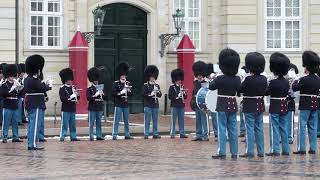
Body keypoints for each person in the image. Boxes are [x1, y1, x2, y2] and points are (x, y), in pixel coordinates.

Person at [210, 48, 241, 160]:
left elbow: (211, 86)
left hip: (222, 105)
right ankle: (234, 152)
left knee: (222, 129)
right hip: (232, 105)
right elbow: (239, 91)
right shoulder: (237, 79)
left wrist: (215, 77)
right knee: (233, 129)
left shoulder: (220, 78)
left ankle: (222, 152)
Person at [239, 52, 267, 158]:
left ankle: (249, 151)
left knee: (249, 129)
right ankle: (260, 151)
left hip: (249, 105)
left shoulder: (248, 79)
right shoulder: (264, 78)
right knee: (259, 128)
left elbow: (241, 89)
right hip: (259, 105)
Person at [292, 51, 320, 155]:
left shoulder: (303, 79)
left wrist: (296, 78)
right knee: (313, 126)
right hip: (315, 103)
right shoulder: (318, 79)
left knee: (302, 126)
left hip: (305, 104)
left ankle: (302, 148)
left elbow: (294, 88)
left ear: (307, 66)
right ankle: (313, 148)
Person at [265, 52, 290, 156]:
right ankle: (285, 149)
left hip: (275, 106)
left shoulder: (273, 82)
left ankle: (275, 150)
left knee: (274, 128)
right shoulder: (286, 81)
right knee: (284, 128)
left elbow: (266, 92)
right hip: (284, 105)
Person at [24, 55, 51, 150]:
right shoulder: (33, 79)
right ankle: (32, 144)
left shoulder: (28, 79)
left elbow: (39, 87)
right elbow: (42, 88)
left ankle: (32, 143)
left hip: (33, 103)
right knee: (35, 125)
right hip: (36, 104)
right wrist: (48, 86)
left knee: (32, 125)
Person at [1, 64, 23, 143]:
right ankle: (4, 137)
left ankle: (15, 137)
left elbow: (20, 95)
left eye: (13, 75)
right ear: (7, 75)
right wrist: (12, 88)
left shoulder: (16, 83)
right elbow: (4, 94)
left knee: (15, 122)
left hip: (15, 104)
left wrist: (19, 88)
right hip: (7, 105)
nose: (12, 77)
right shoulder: (4, 84)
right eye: (11, 75)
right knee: (6, 123)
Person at [112, 62, 134, 140]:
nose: (123, 77)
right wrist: (121, 92)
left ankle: (127, 134)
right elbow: (113, 93)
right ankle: (114, 134)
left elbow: (131, 94)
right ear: (120, 76)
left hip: (126, 104)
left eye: (124, 75)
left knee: (126, 121)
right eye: (122, 75)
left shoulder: (128, 83)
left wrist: (128, 90)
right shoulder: (116, 83)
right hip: (118, 104)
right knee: (116, 120)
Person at [59, 68, 80, 142]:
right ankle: (62, 136)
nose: (70, 81)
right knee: (64, 124)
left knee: (73, 124)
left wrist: (77, 95)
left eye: (71, 79)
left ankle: (73, 136)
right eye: (69, 80)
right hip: (65, 109)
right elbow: (62, 98)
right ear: (65, 80)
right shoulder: (62, 88)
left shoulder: (73, 87)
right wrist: (71, 96)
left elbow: (78, 98)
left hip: (72, 108)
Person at [143, 65, 162, 139]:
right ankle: (146, 133)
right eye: (151, 77)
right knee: (147, 120)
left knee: (155, 120)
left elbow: (160, 95)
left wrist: (157, 90)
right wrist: (150, 94)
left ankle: (155, 133)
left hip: (155, 105)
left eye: (153, 77)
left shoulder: (156, 85)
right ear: (149, 77)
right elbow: (143, 94)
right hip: (148, 105)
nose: (152, 78)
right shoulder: (145, 85)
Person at [192, 61, 209, 141]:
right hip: (196, 104)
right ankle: (198, 134)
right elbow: (194, 92)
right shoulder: (195, 82)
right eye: (198, 75)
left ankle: (205, 135)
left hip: (203, 104)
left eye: (200, 75)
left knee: (204, 120)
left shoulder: (206, 83)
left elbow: (207, 93)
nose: (199, 77)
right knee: (198, 120)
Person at [168, 68, 188, 139]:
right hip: (174, 106)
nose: (179, 81)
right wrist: (177, 96)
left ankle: (182, 133)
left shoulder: (182, 86)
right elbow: (170, 96)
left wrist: (184, 93)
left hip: (181, 105)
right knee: (173, 120)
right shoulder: (172, 87)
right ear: (175, 79)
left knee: (181, 119)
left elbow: (185, 97)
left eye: (180, 79)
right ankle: (172, 133)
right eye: (178, 80)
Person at [87, 67, 105, 141]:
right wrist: (95, 95)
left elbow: (105, 97)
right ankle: (91, 136)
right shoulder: (89, 89)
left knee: (99, 123)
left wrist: (102, 94)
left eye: (97, 80)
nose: (96, 81)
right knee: (91, 123)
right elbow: (88, 98)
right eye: (95, 80)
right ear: (92, 80)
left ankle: (99, 135)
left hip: (99, 107)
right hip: (92, 108)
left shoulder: (101, 88)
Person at [287, 63, 299, 144]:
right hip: (283, 100)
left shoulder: (296, 79)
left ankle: (290, 137)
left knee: (290, 120)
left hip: (290, 100)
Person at [205, 63, 218, 138]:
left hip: (214, 101)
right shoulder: (205, 81)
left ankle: (216, 132)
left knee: (215, 118)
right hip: (207, 101)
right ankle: (206, 132)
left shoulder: (214, 79)